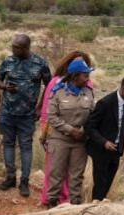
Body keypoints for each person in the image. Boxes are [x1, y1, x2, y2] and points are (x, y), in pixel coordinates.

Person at [0, 34, 51, 194]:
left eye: (16, 47)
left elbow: (49, 86)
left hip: (28, 114)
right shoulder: (8, 61)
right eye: (12, 46)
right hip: (7, 112)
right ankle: (10, 177)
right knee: (8, 144)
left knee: (26, 147)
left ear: (26, 48)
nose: (13, 49)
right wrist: (5, 87)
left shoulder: (40, 63)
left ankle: (24, 182)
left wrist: (40, 108)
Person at [39, 51, 93, 205]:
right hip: (60, 139)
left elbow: (92, 114)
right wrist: (71, 130)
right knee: (56, 173)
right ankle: (51, 203)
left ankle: (75, 204)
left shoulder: (88, 92)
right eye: (85, 75)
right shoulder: (58, 91)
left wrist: (84, 131)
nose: (88, 78)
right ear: (75, 76)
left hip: (80, 141)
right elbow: (52, 116)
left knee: (77, 175)